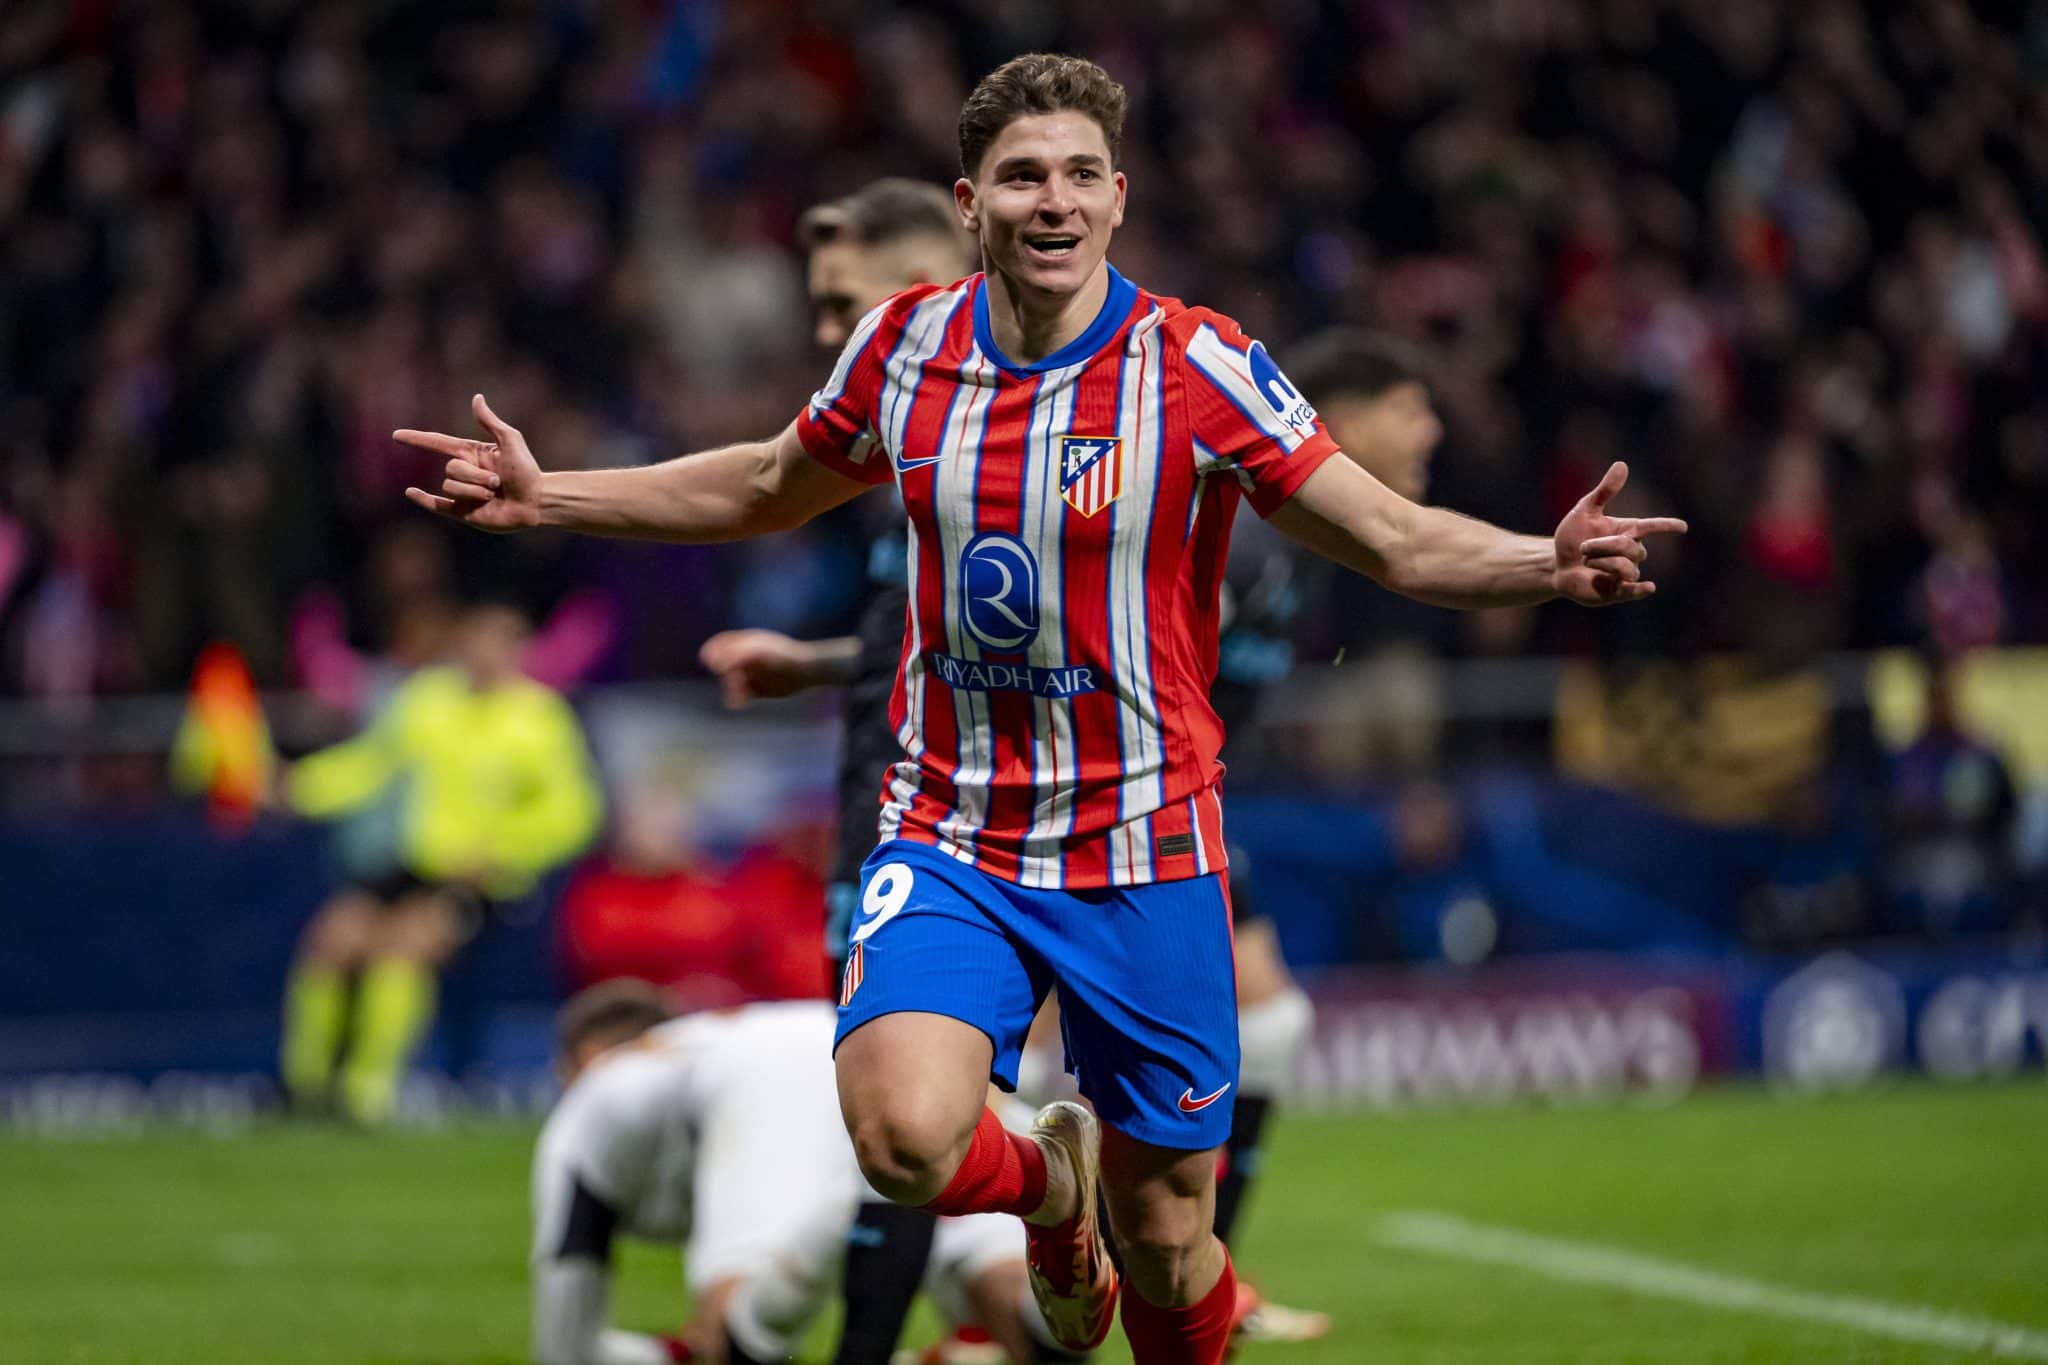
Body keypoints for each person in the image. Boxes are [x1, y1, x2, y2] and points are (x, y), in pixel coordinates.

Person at [401, 53, 1684, 1364]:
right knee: (903, 1137)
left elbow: (1396, 539)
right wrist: (548, 493)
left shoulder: (1196, 365)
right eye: (1023, 176)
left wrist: (1544, 559)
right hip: (950, 832)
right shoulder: (903, 347)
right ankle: (1045, 1198)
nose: (1053, 200)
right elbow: (768, 481)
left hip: (1147, 845)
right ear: (973, 203)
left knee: (1172, 1233)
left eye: (1080, 174)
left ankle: (1103, 1219)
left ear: (1118, 199)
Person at [697, 178, 985, 1362]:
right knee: (897, 1125)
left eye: (843, 305)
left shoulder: (968, 432)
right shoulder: (898, 445)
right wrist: (814, 664)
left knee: (907, 1115)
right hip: (890, 792)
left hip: (949, 817)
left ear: (920, 284)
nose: (828, 336)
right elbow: (916, 630)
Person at [531, 980, 1083, 1365]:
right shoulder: (695, 1046)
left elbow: (565, 1349)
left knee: (736, 1338)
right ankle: (1064, 1218)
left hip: (775, 1074)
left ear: (589, 1052)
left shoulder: (593, 1096)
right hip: (880, 1055)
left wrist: (683, 1350)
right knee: (1031, 1320)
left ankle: (858, 1204)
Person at [279, 601, 604, 1124]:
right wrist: (298, 787)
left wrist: (504, 850)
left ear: (517, 653)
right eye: (473, 644)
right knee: (332, 938)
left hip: (489, 880)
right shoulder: (428, 700)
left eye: (495, 646)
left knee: (403, 949)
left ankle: (367, 1096)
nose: (480, 657)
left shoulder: (540, 718)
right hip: (414, 865)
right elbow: (369, 765)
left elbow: (574, 815)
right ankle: (304, 1089)